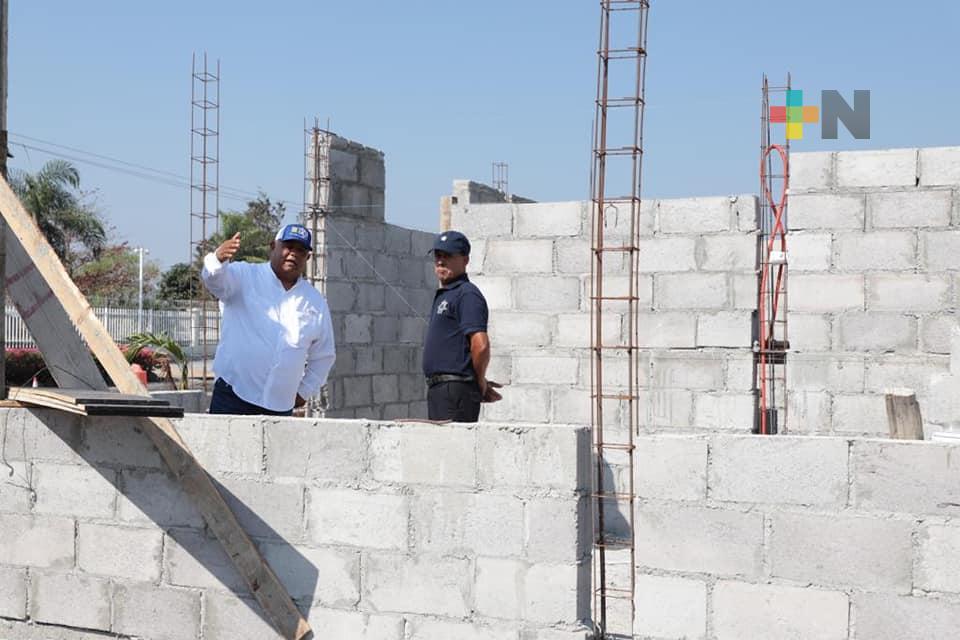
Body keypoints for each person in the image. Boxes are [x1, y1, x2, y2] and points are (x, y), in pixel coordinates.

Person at [201, 223, 335, 415]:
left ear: (308, 257)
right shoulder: (244, 276)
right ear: (273, 246)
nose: (293, 254)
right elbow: (215, 282)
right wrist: (217, 259)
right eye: (288, 246)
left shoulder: (315, 302)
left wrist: (305, 391)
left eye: (301, 250)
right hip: (233, 396)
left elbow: (324, 355)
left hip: (279, 406)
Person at [423, 230, 502, 422]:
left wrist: (479, 382)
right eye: (438, 256)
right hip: (442, 390)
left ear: (465, 260)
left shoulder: (466, 294)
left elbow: (480, 345)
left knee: (450, 450)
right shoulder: (448, 293)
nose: (441, 261)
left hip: (454, 391)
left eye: (448, 256)